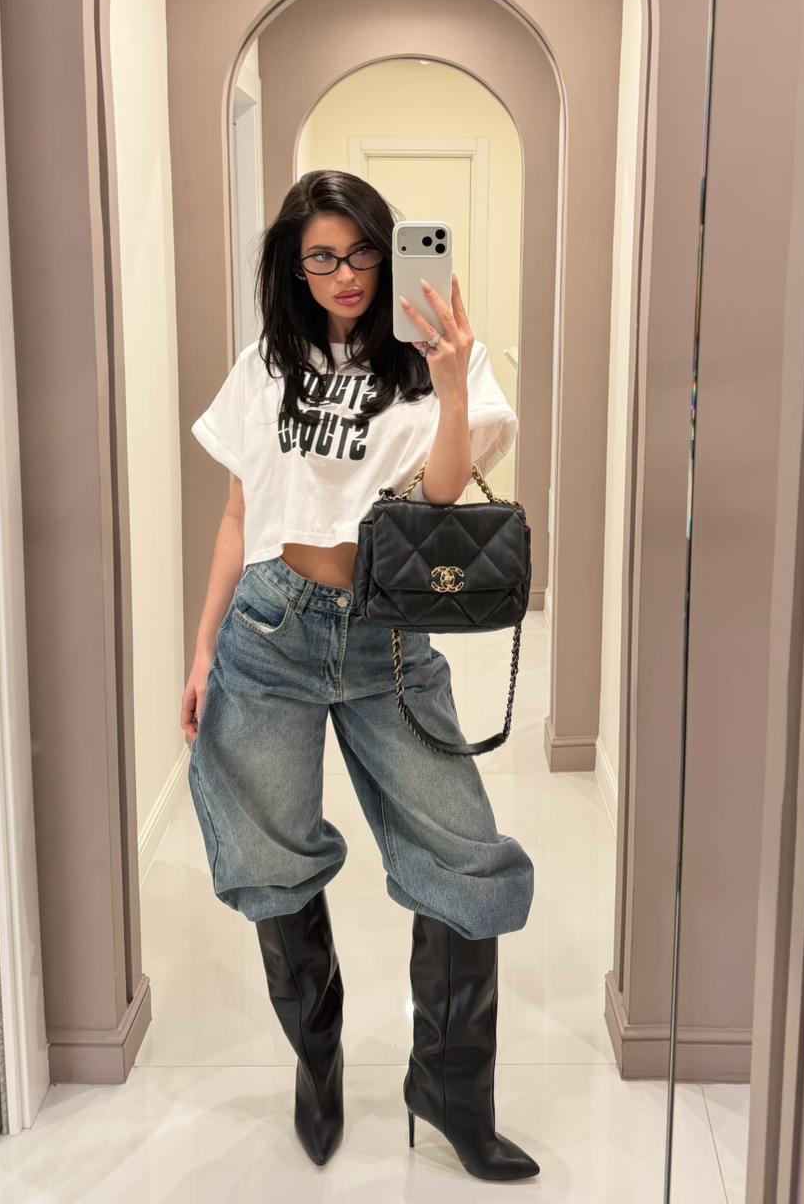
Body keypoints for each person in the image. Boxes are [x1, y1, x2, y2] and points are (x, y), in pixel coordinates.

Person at [181, 169, 539, 1180]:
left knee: (467, 859)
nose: (346, 274)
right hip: (271, 629)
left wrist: (453, 384)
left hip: (390, 639)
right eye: (322, 257)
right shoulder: (268, 362)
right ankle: (318, 1064)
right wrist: (203, 648)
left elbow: (439, 500)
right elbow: (240, 514)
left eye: (363, 252)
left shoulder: (437, 355)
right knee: (271, 858)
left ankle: (452, 1092)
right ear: (294, 268)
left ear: (390, 249)